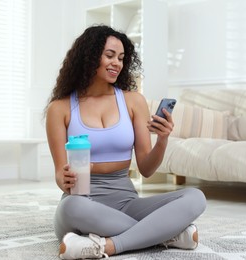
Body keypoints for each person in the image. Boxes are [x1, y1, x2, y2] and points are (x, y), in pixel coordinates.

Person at [45, 25, 206, 259]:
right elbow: (60, 176)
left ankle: (109, 246)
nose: (117, 63)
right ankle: (166, 235)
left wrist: (162, 140)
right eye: (109, 56)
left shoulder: (133, 101)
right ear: (89, 57)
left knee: (195, 197)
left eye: (121, 58)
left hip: (127, 203)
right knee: (70, 206)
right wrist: (67, 178)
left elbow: (147, 169)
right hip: (83, 203)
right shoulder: (59, 108)